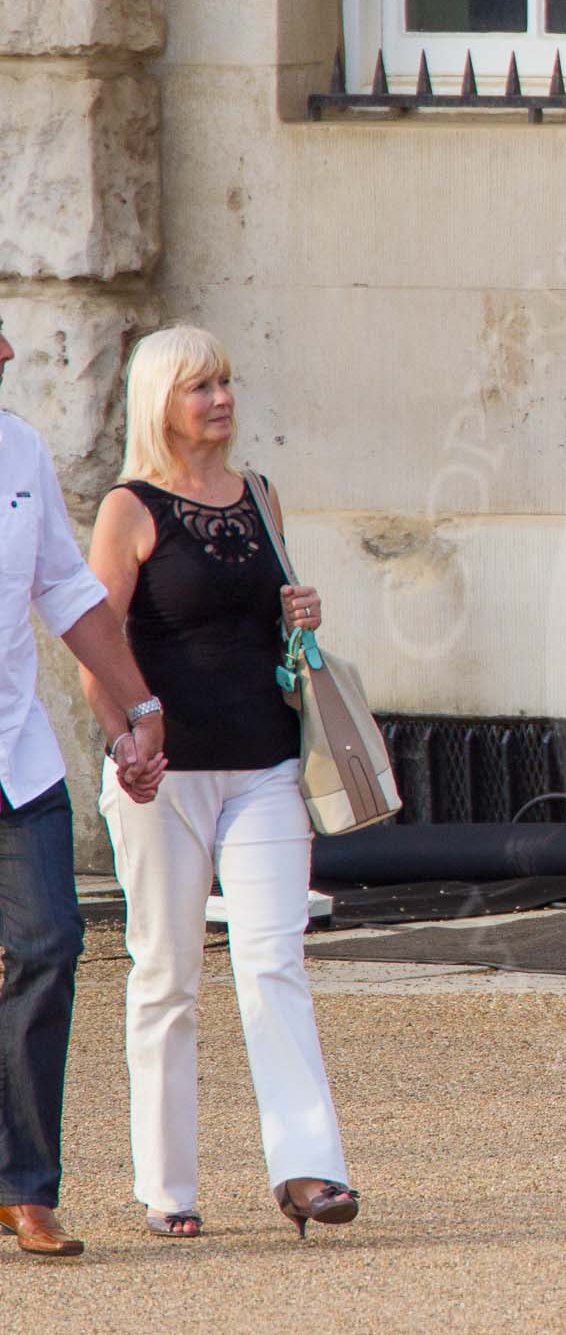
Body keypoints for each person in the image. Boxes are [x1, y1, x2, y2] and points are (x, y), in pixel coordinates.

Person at [82, 325, 358, 1239]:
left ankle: (310, 1169)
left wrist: (303, 613)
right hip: (165, 773)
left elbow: (274, 627)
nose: (221, 399)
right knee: (165, 975)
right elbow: (97, 644)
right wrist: (127, 740)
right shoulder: (129, 507)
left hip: (268, 762)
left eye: (227, 382)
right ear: (162, 399)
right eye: (201, 386)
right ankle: (168, 1188)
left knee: (273, 957)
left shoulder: (262, 496)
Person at [0, 317, 167, 1257]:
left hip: (16, 755)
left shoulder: (20, 448)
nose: (9, 356)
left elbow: (66, 590)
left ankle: (25, 1187)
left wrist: (137, 710)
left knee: (52, 944)